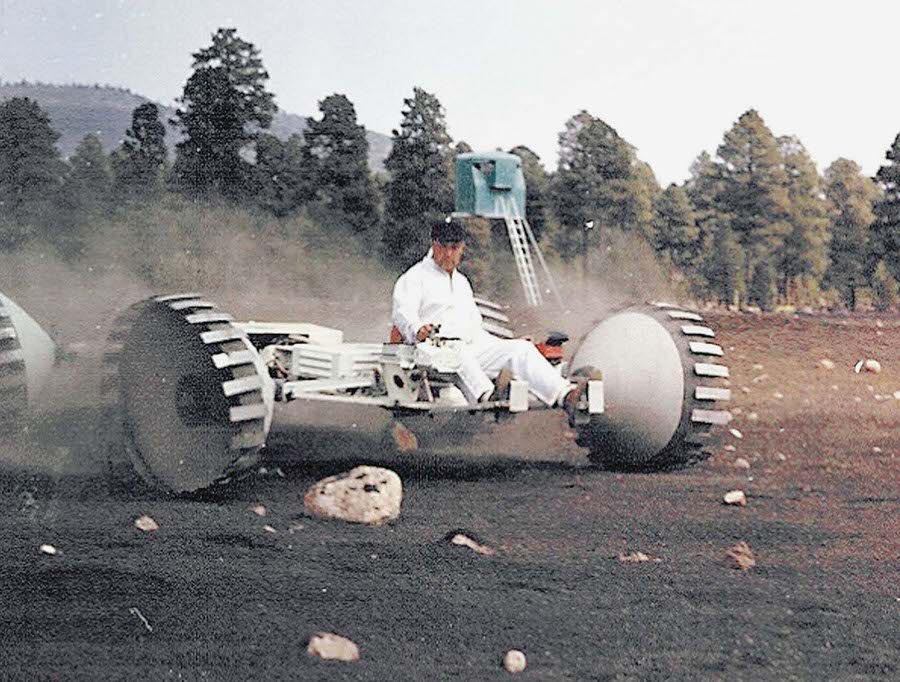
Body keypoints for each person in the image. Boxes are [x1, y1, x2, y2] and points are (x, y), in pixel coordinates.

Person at [391, 216, 584, 416]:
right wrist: (417, 329)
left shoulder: (462, 282)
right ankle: (487, 396)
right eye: (443, 247)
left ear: (462, 248)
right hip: (432, 351)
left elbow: (475, 328)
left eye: (454, 248)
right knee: (457, 352)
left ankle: (566, 395)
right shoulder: (414, 278)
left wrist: (504, 343)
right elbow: (402, 312)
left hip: (471, 346)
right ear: (434, 245)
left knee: (520, 349)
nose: (448, 254)